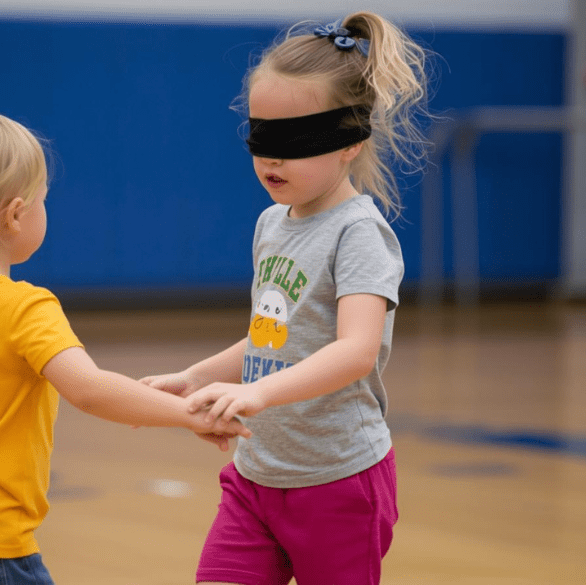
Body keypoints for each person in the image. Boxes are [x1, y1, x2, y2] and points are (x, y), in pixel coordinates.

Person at [0, 100, 251, 585]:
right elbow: (88, 390)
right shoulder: (25, 308)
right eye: (44, 199)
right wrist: (189, 413)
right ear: (14, 216)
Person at [141, 11, 429, 585]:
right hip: (255, 478)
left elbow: (355, 351)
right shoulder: (272, 224)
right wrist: (196, 376)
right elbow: (275, 336)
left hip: (338, 485)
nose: (271, 158)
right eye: (260, 137)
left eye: (294, 142)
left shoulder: (360, 233)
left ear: (351, 140)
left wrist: (259, 393)